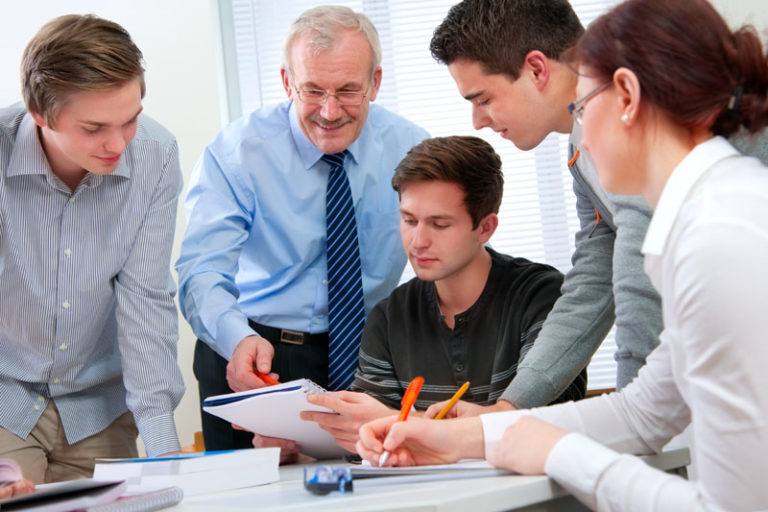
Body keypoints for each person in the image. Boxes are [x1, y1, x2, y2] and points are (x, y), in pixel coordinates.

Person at [357, 0, 768, 509]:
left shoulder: (719, 240)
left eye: (582, 109)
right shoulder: (706, 221)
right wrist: (466, 436)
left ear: (627, 98)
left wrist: (559, 452)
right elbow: (641, 411)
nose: (579, 141)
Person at [175, 5, 429, 455]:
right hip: (257, 354)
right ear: (287, 81)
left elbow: (443, 252)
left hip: (368, 352)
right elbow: (203, 272)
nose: (330, 111)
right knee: (251, 490)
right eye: (312, 90)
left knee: (371, 483)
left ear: (375, 82)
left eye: (348, 90)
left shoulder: (412, 149)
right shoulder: (238, 152)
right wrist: (236, 339)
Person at [425, 0, 664, 416]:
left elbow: (639, 272)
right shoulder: (581, 148)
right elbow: (595, 282)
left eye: (483, 99)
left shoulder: (631, 110)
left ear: (537, 69)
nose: (478, 121)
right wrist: (508, 407)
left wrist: (637, 418)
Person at [303, 136, 585, 452]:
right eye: (409, 220)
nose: (418, 241)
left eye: (439, 224)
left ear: (485, 228)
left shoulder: (542, 295)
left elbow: (550, 422)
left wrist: (396, 422)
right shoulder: (390, 317)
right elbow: (371, 437)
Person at [0, 15, 185, 483]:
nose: (117, 143)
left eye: (131, 120)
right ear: (39, 113)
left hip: (97, 408)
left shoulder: (157, 155)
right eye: (93, 127)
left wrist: (164, 450)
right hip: (6, 396)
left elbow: (146, 301)